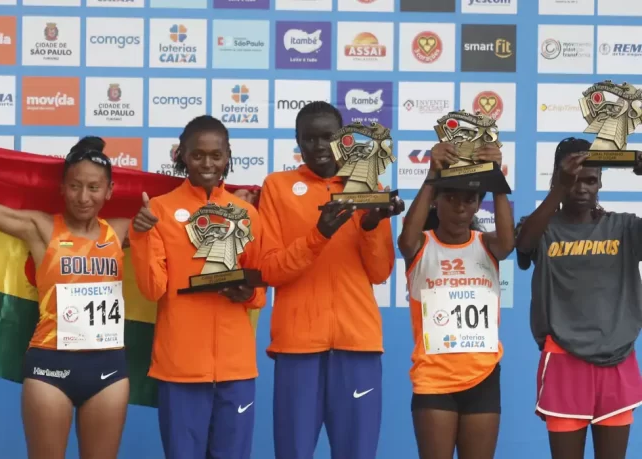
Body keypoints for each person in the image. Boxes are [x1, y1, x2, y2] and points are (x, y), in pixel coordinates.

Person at [0, 136, 131, 459]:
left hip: (108, 371)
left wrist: (234, 203)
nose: (83, 197)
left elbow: (184, 223)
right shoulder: (41, 227)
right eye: (74, 186)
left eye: (93, 188)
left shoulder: (123, 230)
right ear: (62, 188)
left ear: (109, 191)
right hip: (51, 367)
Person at [257, 101, 403, 459]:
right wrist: (318, 234)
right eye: (309, 139)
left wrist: (370, 225)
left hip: (358, 345)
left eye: (328, 137)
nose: (319, 146)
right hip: (297, 347)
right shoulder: (277, 187)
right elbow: (271, 270)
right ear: (297, 141)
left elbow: (380, 272)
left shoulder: (368, 186)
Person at [129, 115, 266, 459]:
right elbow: (152, 289)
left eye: (216, 155)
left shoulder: (246, 213)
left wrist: (246, 292)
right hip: (180, 367)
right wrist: (142, 235)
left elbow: (261, 288)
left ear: (228, 156)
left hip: (236, 368)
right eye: (198, 155)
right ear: (182, 156)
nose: (208, 164)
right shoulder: (159, 211)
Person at [515, 137, 642, 459]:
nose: (582, 188)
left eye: (590, 180)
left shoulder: (624, 227)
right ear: (557, 179)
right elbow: (524, 244)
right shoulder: (542, 227)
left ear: (600, 183)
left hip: (617, 357)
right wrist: (559, 187)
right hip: (563, 359)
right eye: (573, 180)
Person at [397, 141, 514, 459]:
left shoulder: (488, 245)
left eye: (470, 199)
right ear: (436, 200)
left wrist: (496, 177)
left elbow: (508, 241)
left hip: (483, 377)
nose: (461, 207)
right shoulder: (420, 246)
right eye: (451, 198)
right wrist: (432, 173)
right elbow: (405, 238)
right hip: (434, 379)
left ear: (478, 205)